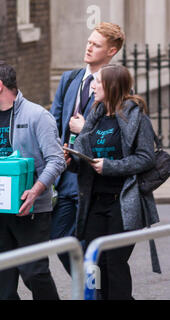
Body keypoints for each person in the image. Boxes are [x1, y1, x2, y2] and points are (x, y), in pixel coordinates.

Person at [0, 61, 66, 300]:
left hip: (30, 211)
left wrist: (35, 191)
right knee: (1, 281)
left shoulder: (37, 116)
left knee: (35, 273)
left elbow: (56, 160)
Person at [66, 64, 160, 300]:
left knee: (115, 262)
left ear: (112, 86)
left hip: (122, 201)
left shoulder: (137, 118)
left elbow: (146, 158)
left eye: (98, 82)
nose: (93, 86)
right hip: (95, 201)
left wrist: (110, 166)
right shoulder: (94, 118)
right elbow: (85, 158)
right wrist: (72, 160)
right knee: (96, 262)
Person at [49, 22, 125, 273]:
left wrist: (85, 132)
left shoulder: (115, 86)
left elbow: (116, 135)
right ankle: (89, 289)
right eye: (89, 41)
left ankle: (95, 291)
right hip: (65, 176)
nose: (89, 47)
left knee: (88, 244)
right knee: (60, 239)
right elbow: (54, 122)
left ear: (111, 51)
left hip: (91, 180)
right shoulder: (70, 78)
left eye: (96, 45)